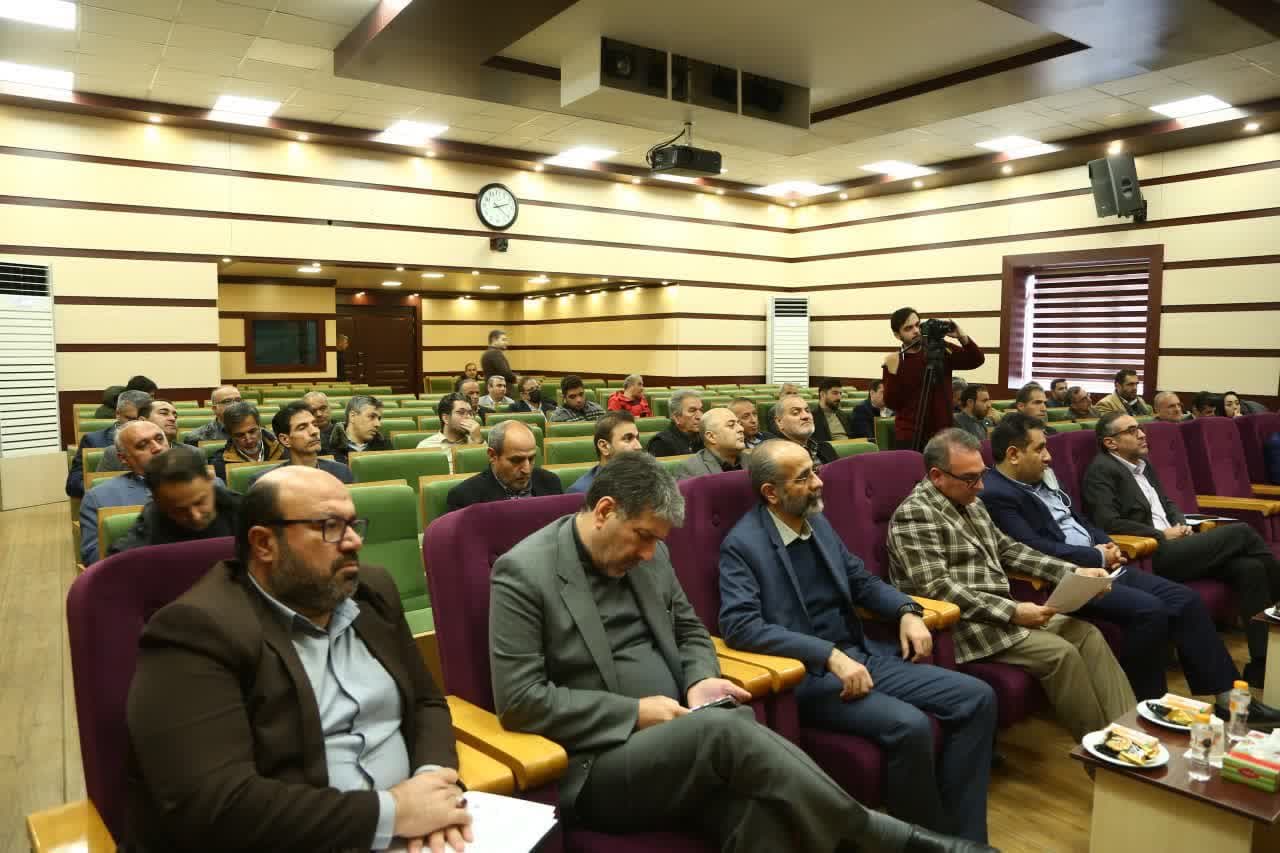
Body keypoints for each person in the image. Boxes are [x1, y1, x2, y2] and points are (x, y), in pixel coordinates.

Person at [489, 451, 993, 853]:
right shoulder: (523, 573)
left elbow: (690, 631)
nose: (648, 554)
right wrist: (635, 713)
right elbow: (521, 700)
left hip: (685, 733)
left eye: (656, 542)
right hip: (598, 764)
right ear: (604, 511)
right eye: (641, 538)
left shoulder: (652, 554)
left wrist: (698, 680)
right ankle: (881, 835)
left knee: (767, 810)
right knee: (727, 729)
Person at [126, 466, 469, 853]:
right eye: (330, 526)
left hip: (424, 830)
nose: (354, 541)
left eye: (353, 524)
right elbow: (215, 804)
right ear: (264, 544)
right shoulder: (195, 629)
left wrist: (433, 783)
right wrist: (393, 813)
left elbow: (425, 702)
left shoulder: (372, 590)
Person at [720, 440, 997, 842]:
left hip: (862, 655)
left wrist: (907, 611)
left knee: (977, 698)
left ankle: (967, 838)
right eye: (804, 477)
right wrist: (828, 655)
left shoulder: (817, 524)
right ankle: (927, 842)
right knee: (910, 725)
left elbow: (862, 582)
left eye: (815, 470)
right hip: (809, 676)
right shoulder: (743, 545)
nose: (818, 482)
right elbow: (741, 625)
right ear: (771, 493)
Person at [980, 414, 1272, 719]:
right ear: (1013, 454)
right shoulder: (997, 494)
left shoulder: (1043, 478)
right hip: (1065, 580)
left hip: (1102, 566)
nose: (1048, 456)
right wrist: (1095, 557)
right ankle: (1147, 708)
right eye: (1040, 448)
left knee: (1186, 599)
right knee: (1150, 611)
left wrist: (1108, 545)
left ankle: (1228, 699)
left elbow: (1081, 521)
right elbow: (1032, 547)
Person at [887, 428, 1135, 740]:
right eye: (970, 479)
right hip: (964, 626)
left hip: (1002, 612)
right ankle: (1103, 748)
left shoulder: (970, 500)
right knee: (1061, 653)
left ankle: (1131, 733)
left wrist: (1074, 572)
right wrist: (1013, 611)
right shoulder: (915, 515)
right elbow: (936, 588)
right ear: (937, 476)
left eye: (982, 474)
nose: (981, 486)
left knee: (1088, 635)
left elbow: (1009, 550)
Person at [1083, 412, 1280, 687]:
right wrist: (1160, 534)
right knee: (1242, 532)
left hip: (1179, 544)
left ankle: (1262, 664)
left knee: (1251, 568)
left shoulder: (1143, 465)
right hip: (1153, 554)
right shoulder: (1101, 471)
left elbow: (1167, 502)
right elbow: (1107, 522)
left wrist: (1180, 522)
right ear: (1110, 443)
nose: (1142, 434)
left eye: (1140, 428)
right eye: (1131, 430)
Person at [109, 444, 241, 557]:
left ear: (210, 479)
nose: (196, 516)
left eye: (200, 502)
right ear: (158, 501)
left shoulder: (243, 509)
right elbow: (120, 560)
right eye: (180, 510)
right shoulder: (151, 522)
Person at [882, 308, 984, 450]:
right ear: (897, 335)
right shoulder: (896, 360)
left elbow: (976, 360)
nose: (916, 331)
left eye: (917, 325)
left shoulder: (940, 349)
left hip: (943, 434)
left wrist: (961, 336)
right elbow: (892, 403)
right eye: (908, 328)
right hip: (910, 435)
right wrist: (892, 373)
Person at [79, 420, 169, 564]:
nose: (157, 448)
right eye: (142, 445)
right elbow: (94, 557)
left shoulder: (205, 483)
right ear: (124, 458)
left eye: (159, 439)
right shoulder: (99, 497)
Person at [445, 421, 562, 512]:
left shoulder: (550, 483)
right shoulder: (465, 498)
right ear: (492, 456)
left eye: (531, 458)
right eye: (516, 460)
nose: (527, 470)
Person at [243, 401, 354, 487]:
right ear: (285, 439)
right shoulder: (266, 482)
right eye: (302, 428)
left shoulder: (341, 472)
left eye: (315, 425)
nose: (314, 431)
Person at [67, 389, 150, 497]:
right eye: (131, 419)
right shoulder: (94, 440)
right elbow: (73, 485)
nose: (137, 425)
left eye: (142, 420)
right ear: (117, 414)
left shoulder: (159, 442)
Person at [568, 411, 642, 495]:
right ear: (604, 447)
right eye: (628, 438)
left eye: (637, 438)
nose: (639, 446)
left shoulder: (646, 478)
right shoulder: (582, 492)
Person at [212, 403, 285, 481]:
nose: (249, 440)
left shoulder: (284, 450)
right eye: (240, 435)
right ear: (230, 435)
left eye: (252, 431)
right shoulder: (220, 464)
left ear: (260, 427)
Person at [99, 399, 178, 472]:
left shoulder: (185, 452)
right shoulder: (114, 453)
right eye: (164, 413)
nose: (173, 419)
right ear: (142, 420)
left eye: (175, 416)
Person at [417, 393, 484, 473]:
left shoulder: (478, 441)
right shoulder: (425, 446)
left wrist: (478, 441)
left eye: (470, 413)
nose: (469, 417)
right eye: (461, 412)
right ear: (446, 418)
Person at [677, 408, 746, 479]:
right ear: (711, 437)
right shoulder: (691, 469)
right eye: (731, 425)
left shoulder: (751, 460)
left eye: (739, 424)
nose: (741, 428)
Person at [774, 393, 837, 467]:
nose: (806, 416)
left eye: (807, 411)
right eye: (795, 413)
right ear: (779, 422)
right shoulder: (775, 456)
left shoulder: (826, 448)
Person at [328, 395, 392, 464]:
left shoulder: (386, 447)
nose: (378, 424)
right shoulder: (326, 446)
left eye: (379, 419)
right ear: (352, 416)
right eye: (372, 416)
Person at [647, 389, 704, 457]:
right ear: (676, 417)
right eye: (692, 411)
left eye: (701, 410)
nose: (700, 416)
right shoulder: (660, 444)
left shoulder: (704, 436)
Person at [813, 378, 853, 443]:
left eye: (840, 393)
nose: (839, 397)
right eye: (835, 393)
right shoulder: (812, 417)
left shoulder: (844, 415)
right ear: (822, 394)